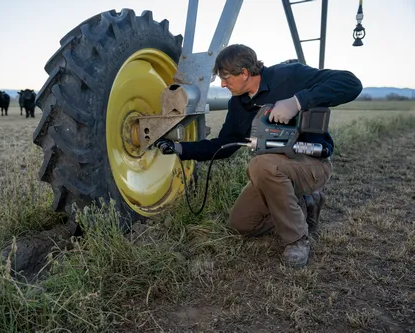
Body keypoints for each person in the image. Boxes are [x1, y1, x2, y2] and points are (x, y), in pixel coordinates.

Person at [155, 44, 362, 268]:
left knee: (260, 165)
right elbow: (224, 145)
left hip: (311, 163)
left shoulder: (290, 75)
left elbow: (351, 83)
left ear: (244, 73)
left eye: (226, 78)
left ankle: (297, 240)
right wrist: (180, 149)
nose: (223, 84)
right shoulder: (238, 104)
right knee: (242, 224)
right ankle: (305, 203)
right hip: (274, 169)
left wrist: (297, 102)